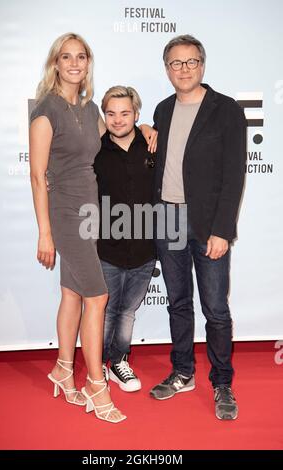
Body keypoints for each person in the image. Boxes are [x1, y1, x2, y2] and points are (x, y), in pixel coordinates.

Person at [29, 33, 128, 423]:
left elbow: (113, 135)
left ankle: (64, 370)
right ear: (55, 63)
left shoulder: (88, 110)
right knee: (98, 297)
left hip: (90, 212)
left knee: (72, 294)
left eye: (81, 56)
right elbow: (38, 176)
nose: (74, 63)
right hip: (65, 214)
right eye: (65, 57)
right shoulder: (45, 110)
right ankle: (96, 384)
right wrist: (45, 232)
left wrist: (148, 128)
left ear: (88, 63)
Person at [149, 35, 246, 420]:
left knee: (216, 309)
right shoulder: (161, 110)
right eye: (176, 63)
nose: (184, 69)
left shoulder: (226, 110)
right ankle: (183, 372)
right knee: (178, 303)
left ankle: (222, 382)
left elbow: (234, 174)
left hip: (208, 226)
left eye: (190, 62)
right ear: (167, 69)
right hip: (167, 218)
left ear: (202, 66)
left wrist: (223, 230)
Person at [94, 86, 156, 392]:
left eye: (125, 113)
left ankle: (118, 362)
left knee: (127, 312)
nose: (118, 120)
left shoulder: (152, 145)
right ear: (104, 116)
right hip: (106, 247)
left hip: (145, 249)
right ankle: (98, 367)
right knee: (105, 311)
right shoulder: (95, 150)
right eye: (111, 113)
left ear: (136, 114)